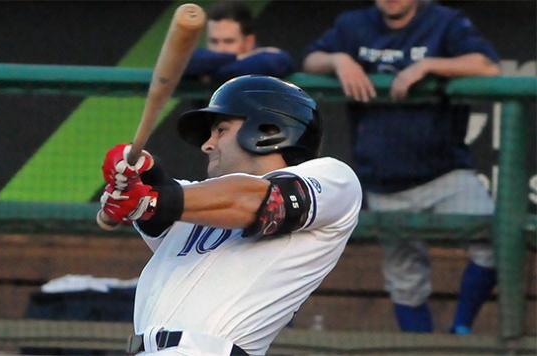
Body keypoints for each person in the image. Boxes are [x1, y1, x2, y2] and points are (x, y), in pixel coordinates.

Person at [96, 75, 362, 355]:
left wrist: (151, 200)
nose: (207, 145)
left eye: (220, 130)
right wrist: (137, 173)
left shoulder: (334, 177)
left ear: (268, 130)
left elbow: (259, 201)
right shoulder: (197, 200)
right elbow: (165, 205)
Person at [303, 0, 500, 334]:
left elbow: (488, 67)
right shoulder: (355, 25)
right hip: (385, 180)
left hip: (446, 173)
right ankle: (420, 348)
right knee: (405, 279)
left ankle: (461, 330)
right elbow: (310, 60)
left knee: (495, 243)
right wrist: (339, 59)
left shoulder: (444, 21)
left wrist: (429, 66)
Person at [184, 1, 293, 82]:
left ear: (249, 41)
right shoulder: (204, 61)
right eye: (214, 41)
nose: (220, 49)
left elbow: (273, 62)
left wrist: (210, 75)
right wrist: (237, 57)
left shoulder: (269, 58)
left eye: (228, 41)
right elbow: (185, 61)